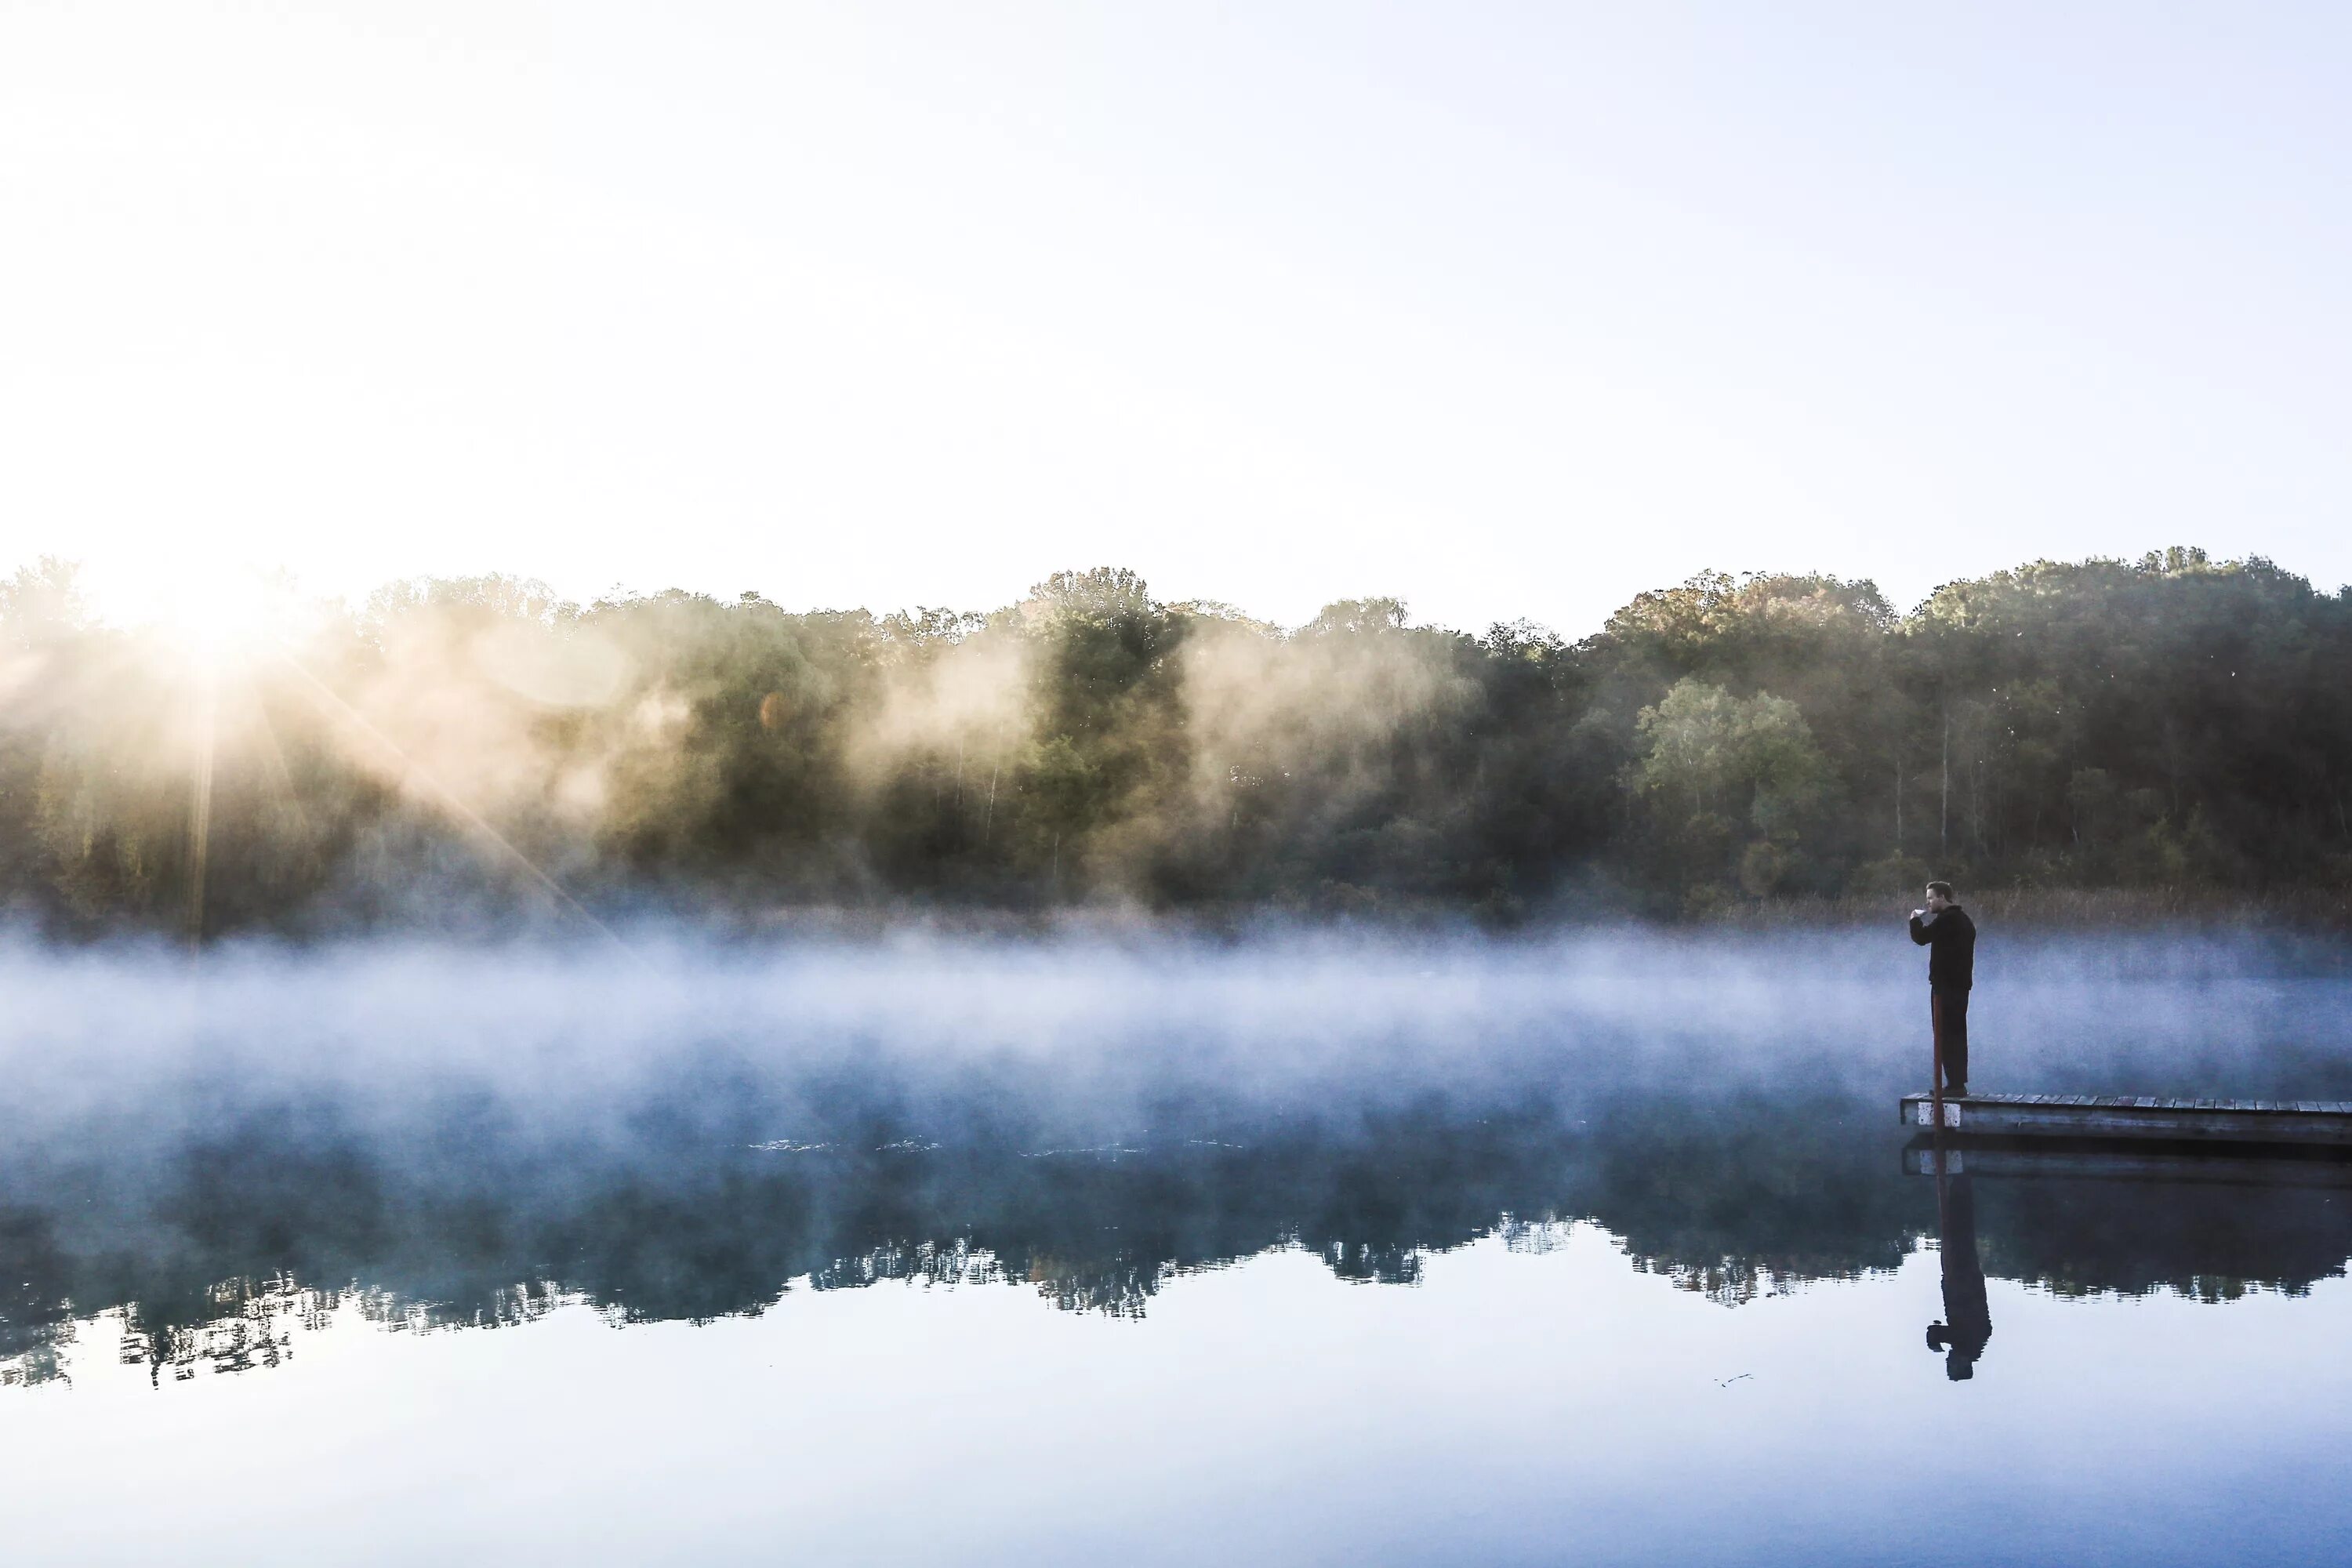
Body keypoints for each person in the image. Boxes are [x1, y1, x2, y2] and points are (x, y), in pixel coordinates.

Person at [1908, 880, 1976, 1097]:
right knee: (1956, 1034)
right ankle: (1956, 1083)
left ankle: (1954, 1087)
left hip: (1945, 988)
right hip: (1960, 986)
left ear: (1942, 898)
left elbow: (1921, 937)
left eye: (1930, 898)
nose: (1928, 903)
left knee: (1945, 1035)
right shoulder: (1964, 920)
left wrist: (1914, 920)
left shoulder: (1948, 920)